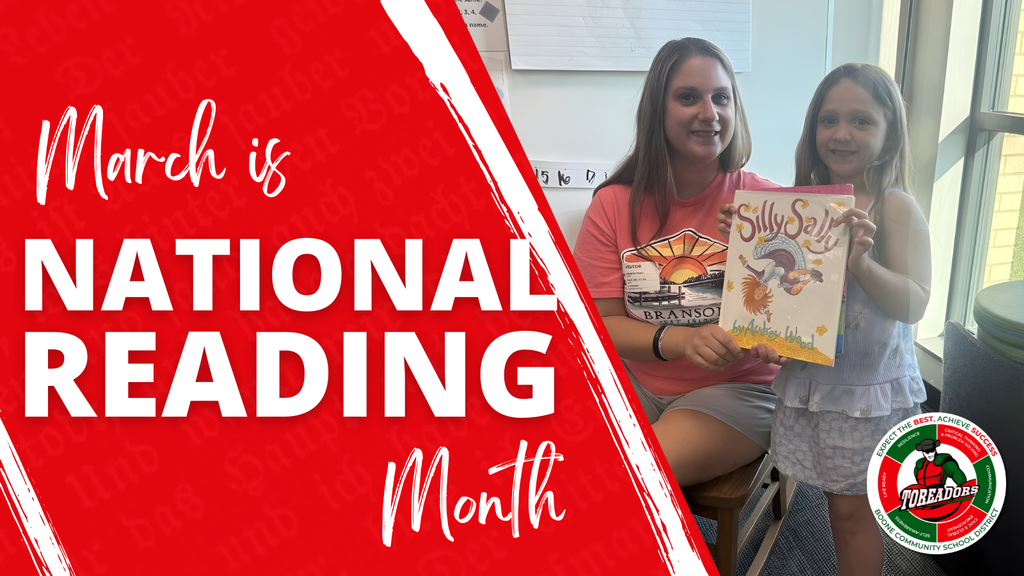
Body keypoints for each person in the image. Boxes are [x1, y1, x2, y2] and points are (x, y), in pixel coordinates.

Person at [721, 63, 931, 576]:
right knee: (838, 504)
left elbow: (916, 303)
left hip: (863, 392)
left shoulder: (895, 206)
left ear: (889, 132)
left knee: (853, 512)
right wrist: (745, 241)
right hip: (814, 382)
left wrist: (858, 261)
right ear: (813, 129)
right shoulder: (802, 204)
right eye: (829, 119)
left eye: (861, 120)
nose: (841, 133)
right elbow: (785, 299)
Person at [572, 38, 780, 488]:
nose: (710, 112)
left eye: (721, 97)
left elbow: (795, 313)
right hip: (634, 380)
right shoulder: (612, 205)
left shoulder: (764, 203)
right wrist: (684, 341)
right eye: (688, 97)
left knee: (625, 481)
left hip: (737, 389)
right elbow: (599, 325)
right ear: (657, 111)